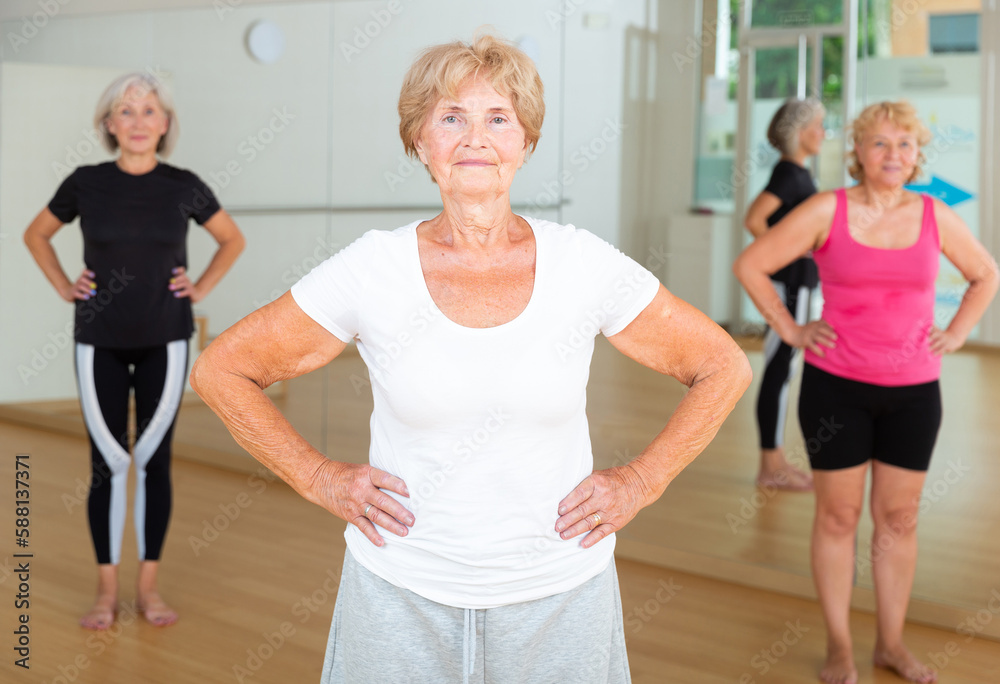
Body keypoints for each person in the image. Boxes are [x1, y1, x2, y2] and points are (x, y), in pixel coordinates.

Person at [191, 35, 751, 684]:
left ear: (526, 142)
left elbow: (722, 365)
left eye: (499, 118)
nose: (474, 138)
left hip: (560, 595)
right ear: (419, 141)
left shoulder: (581, 263)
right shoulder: (374, 267)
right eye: (451, 117)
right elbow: (222, 369)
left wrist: (642, 481)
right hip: (399, 594)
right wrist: (321, 478)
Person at [734, 101, 998, 684]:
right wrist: (791, 329)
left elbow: (986, 273)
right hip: (836, 389)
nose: (893, 155)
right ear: (856, 151)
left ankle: (891, 644)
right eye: (880, 143)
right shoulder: (828, 208)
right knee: (838, 517)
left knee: (898, 518)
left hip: (914, 393)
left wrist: (955, 334)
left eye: (905, 145)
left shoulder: (933, 214)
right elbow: (752, 263)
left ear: (918, 154)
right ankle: (839, 649)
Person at [23, 72, 245, 629]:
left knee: (152, 461)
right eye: (126, 111)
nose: (139, 121)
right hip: (97, 339)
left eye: (149, 111)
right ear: (108, 125)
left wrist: (201, 288)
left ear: (165, 124)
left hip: (166, 340)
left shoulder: (184, 185)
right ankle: (105, 591)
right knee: (109, 463)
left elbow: (231, 238)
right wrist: (60, 285)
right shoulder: (85, 183)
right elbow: (36, 234)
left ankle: (147, 590)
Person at [744, 98, 825, 492]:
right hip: (789, 284)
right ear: (801, 132)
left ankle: (775, 461)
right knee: (779, 369)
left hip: (799, 283)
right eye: (819, 125)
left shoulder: (799, 175)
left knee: (783, 369)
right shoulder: (790, 175)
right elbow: (754, 218)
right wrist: (783, 251)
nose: (823, 133)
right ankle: (769, 466)